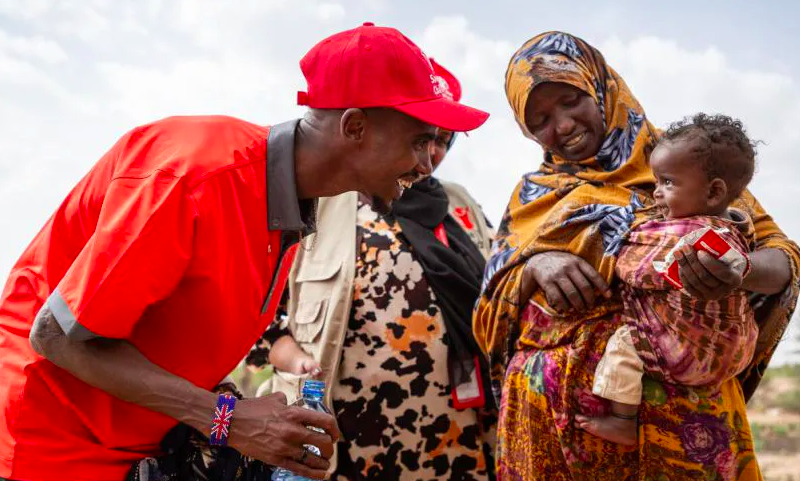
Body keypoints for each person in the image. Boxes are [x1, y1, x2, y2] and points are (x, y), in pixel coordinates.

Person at [0, 23, 489, 481]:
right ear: (355, 127)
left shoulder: (293, 207)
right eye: (421, 141)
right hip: (49, 446)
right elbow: (57, 337)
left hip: (137, 444)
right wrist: (227, 420)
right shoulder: (196, 177)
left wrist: (234, 409)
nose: (429, 164)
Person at [473, 31, 799, 480]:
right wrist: (534, 266)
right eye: (540, 119)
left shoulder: (688, 162)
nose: (562, 125)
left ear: (601, 86)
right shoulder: (531, 197)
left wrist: (736, 271)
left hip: (683, 422)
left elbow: (782, 258)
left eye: (571, 100)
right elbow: (490, 309)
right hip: (551, 425)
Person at [246, 59, 497, 481]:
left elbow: (500, 288)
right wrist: (295, 360)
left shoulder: (459, 204)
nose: (430, 155)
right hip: (346, 449)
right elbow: (254, 315)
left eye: (443, 141)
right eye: (421, 137)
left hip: (456, 447)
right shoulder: (320, 200)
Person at [576, 113, 760, 446]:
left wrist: (616, 250)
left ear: (714, 191)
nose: (656, 193)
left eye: (667, 183)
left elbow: (634, 269)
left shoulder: (674, 234)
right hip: (736, 349)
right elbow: (742, 268)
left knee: (622, 344)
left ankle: (622, 419)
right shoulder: (736, 230)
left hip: (687, 352)